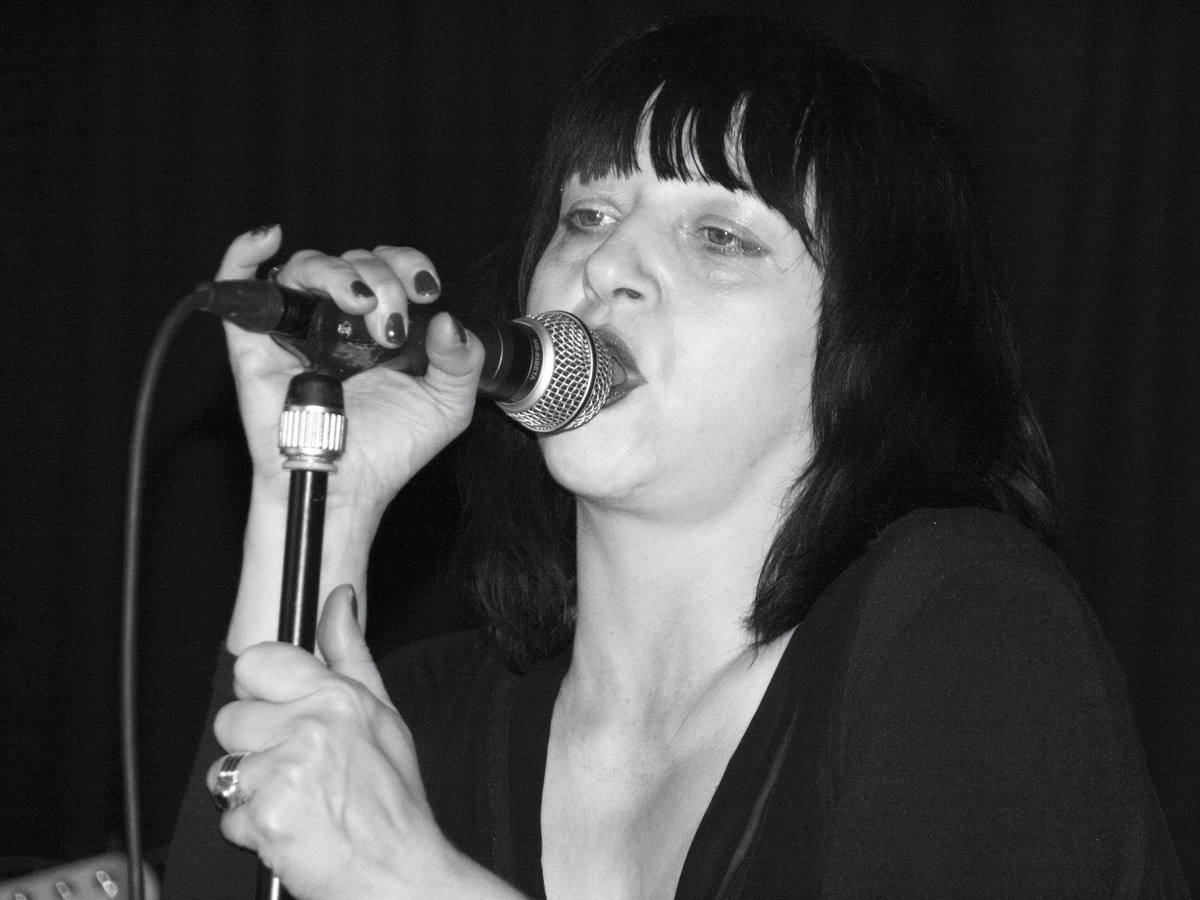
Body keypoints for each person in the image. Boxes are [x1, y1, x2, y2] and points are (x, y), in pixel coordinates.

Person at [164, 13, 1189, 899]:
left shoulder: (964, 628)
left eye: (720, 237)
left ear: (868, 349)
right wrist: (318, 496)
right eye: (587, 215)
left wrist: (410, 879)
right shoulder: (432, 719)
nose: (607, 264)